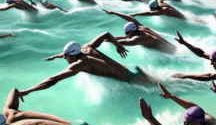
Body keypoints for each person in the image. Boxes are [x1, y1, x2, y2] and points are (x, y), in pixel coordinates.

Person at [20, 32, 154, 97]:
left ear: (72, 55)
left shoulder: (79, 64)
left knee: (162, 91)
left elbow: (53, 80)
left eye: (66, 57)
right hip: (131, 68)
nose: (65, 59)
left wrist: (29, 90)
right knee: (161, 83)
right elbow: (107, 34)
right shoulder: (87, 47)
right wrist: (117, 45)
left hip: (132, 79)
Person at [102, 9, 176, 53]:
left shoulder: (140, 38)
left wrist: (112, 41)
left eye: (127, 33)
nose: (127, 35)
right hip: (173, 47)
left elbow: (128, 41)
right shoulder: (140, 27)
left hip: (172, 53)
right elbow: (130, 18)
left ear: (133, 31)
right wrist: (113, 12)